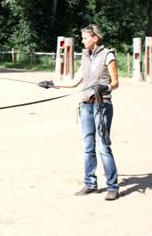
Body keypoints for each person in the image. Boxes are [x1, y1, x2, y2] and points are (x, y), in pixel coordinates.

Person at [38, 24, 120, 201]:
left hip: (102, 105)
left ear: (95, 38)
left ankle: (113, 186)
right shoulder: (85, 57)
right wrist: (52, 84)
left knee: (103, 146)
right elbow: (75, 81)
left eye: (84, 38)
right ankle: (90, 183)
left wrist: (104, 87)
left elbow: (115, 83)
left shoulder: (108, 55)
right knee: (88, 147)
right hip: (86, 106)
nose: (82, 41)